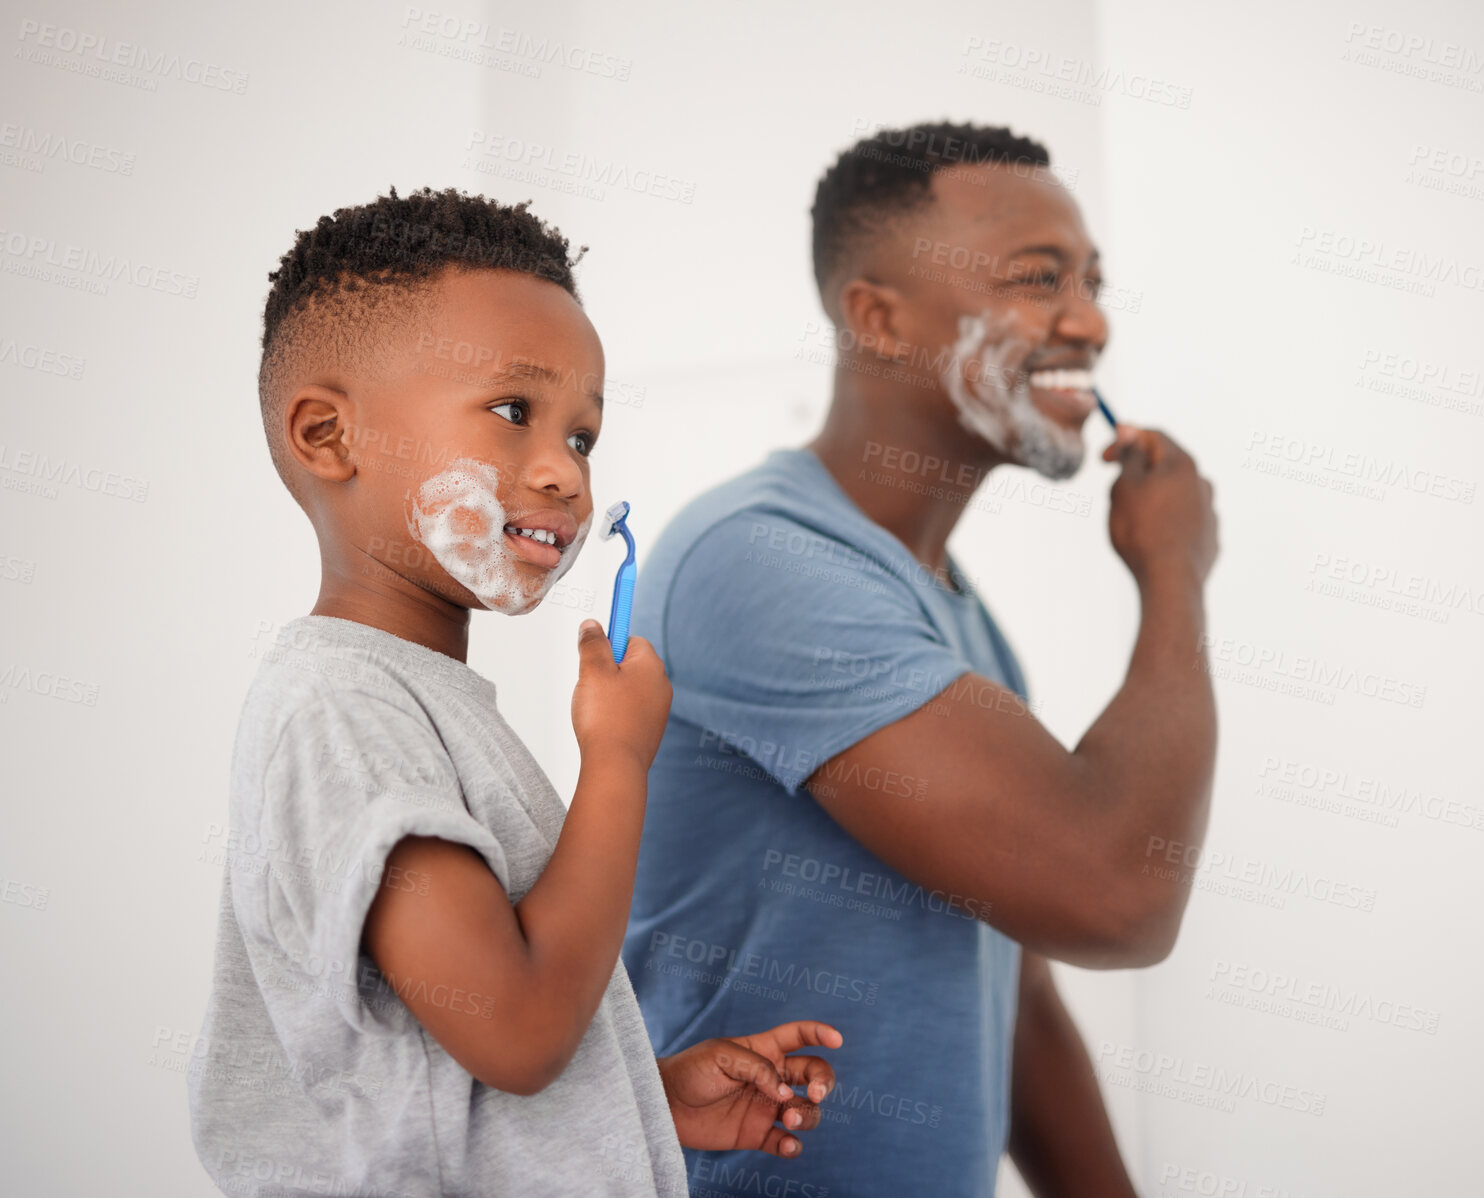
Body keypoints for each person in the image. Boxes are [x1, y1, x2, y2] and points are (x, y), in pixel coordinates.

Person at [188, 187, 840, 1197]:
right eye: (512, 412)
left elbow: (444, 1060)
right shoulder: (339, 709)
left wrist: (633, 1092)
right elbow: (521, 1028)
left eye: (580, 437)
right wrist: (619, 760)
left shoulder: (413, 701)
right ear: (328, 436)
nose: (566, 475)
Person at [623, 123, 1220, 1197]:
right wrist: (1173, 575)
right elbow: (1116, 894)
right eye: (1039, 280)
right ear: (877, 317)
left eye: (1090, 280)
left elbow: (1019, 993)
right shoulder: (756, 558)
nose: (1089, 320)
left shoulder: (956, 619)